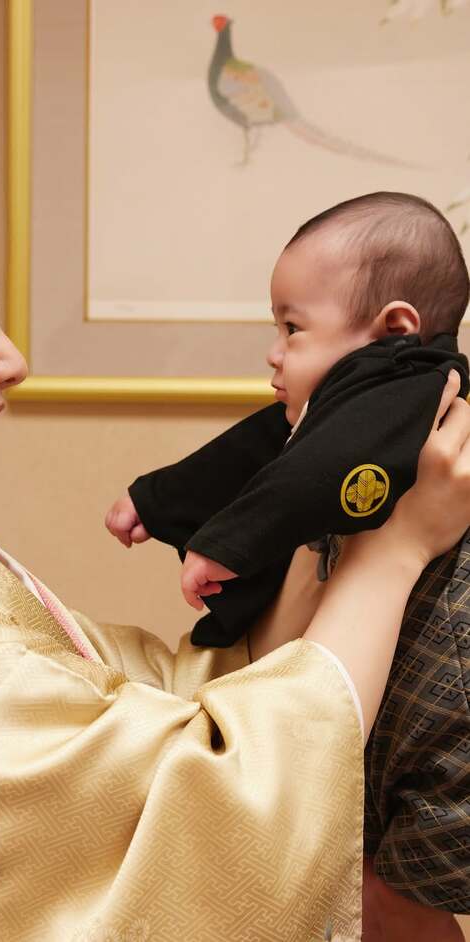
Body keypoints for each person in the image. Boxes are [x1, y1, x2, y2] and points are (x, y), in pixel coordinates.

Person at [0, 158, 468, 942]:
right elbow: (202, 809)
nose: (13, 360)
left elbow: (155, 703)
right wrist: (393, 552)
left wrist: (340, 527)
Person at [105, 193, 470, 939]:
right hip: (398, 693)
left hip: (448, 687)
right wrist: (157, 499)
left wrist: (226, 544)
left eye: (293, 328)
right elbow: (260, 451)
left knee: (395, 893)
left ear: (394, 328)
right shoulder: (352, 401)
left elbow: (308, 475)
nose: (275, 352)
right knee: (367, 871)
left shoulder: (412, 387)